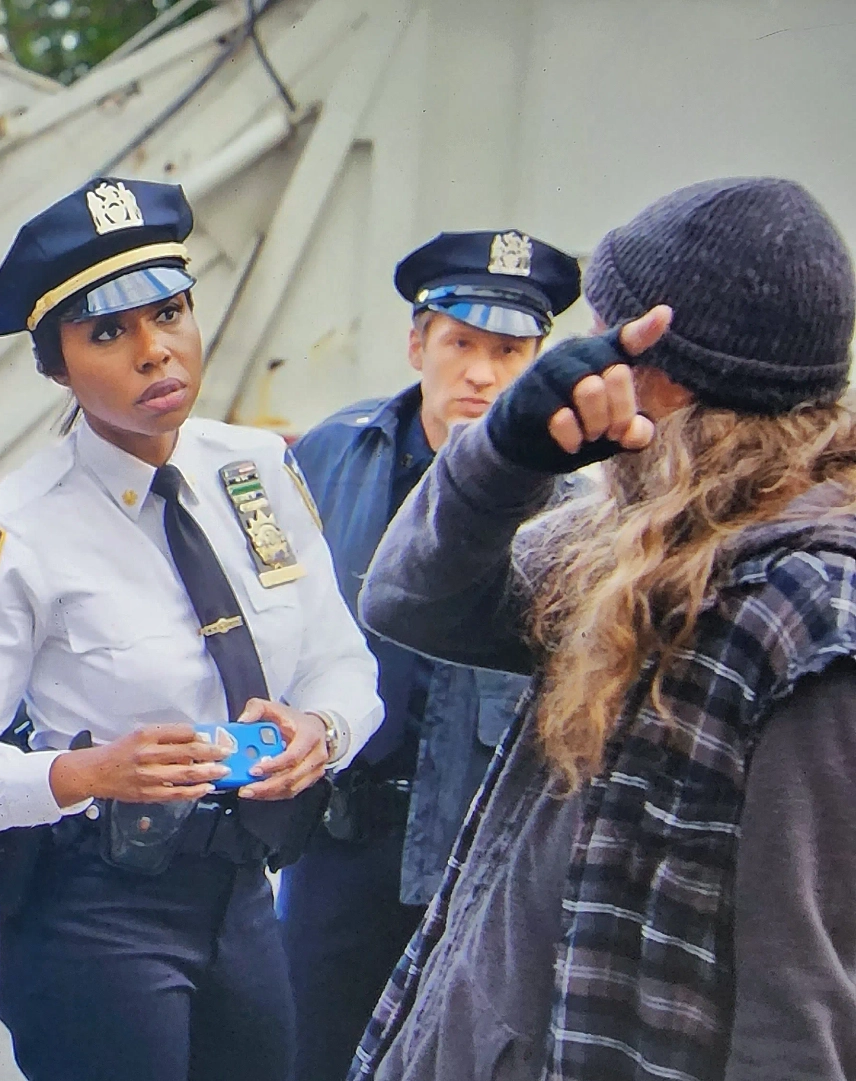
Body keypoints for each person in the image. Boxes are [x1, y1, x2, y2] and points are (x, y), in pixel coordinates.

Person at [351, 176, 856, 1081]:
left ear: (653, 365)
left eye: (601, 329)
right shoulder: (634, 533)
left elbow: (799, 992)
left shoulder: (808, 614)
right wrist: (503, 458)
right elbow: (408, 600)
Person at [0, 176, 382, 1081]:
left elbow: (340, 661)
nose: (154, 350)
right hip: (97, 909)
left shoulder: (258, 470)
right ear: (55, 366)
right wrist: (86, 773)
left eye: (169, 311)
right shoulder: (18, 529)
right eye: (108, 331)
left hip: (244, 891)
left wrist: (324, 730)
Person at [277, 229, 580, 1081]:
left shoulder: (573, 499)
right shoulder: (329, 455)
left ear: (538, 357)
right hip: (337, 841)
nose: (482, 373)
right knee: (310, 1056)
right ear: (418, 343)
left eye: (510, 349)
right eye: (461, 344)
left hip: (476, 849)